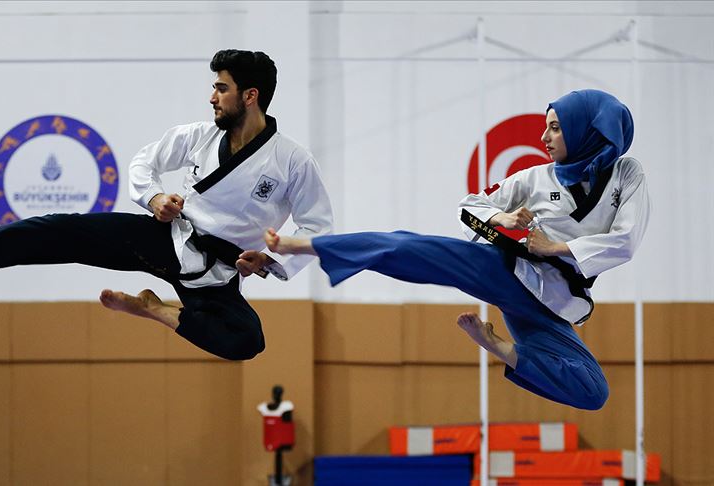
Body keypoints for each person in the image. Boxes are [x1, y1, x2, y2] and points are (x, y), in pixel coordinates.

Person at [0, 49, 333, 361]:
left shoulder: (291, 161)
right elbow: (144, 162)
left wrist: (268, 262)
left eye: (221, 88)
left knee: (247, 340)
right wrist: (155, 198)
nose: (212, 97)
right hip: (165, 238)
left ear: (250, 96)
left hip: (217, 272)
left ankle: (157, 311)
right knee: (63, 230)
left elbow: (318, 228)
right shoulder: (198, 136)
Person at [265, 90, 649, 410]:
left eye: (554, 128)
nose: (544, 138)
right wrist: (503, 219)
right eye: (545, 128)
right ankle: (307, 244)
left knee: (593, 392)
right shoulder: (534, 177)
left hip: (552, 307)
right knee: (412, 246)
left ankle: (496, 344)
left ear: (586, 131)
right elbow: (470, 205)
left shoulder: (627, 174)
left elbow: (626, 241)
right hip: (510, 274)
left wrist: (556, 246)